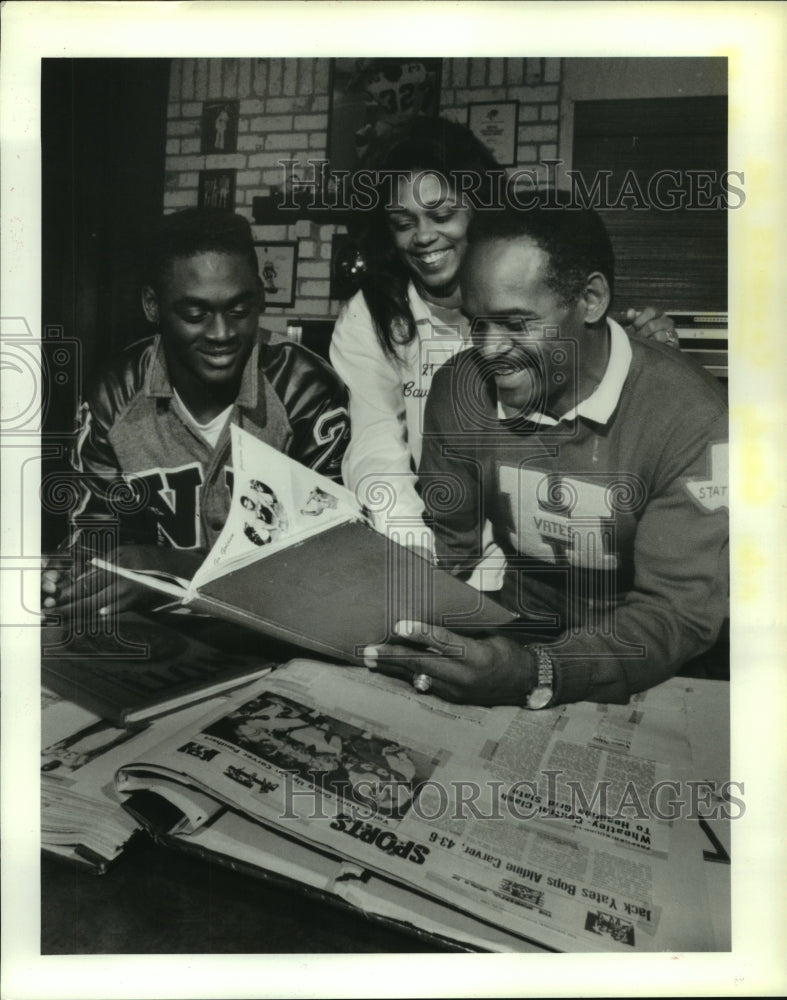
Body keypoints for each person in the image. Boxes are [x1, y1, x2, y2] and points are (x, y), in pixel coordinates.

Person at [363, 195, 728, 707]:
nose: (490, 350)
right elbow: (450, 544)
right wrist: (369, 595)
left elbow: (675, 613)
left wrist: (537, 672)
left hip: (648, 662)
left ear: (591, 299)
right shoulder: (458, 389)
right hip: (520, 629)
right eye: (477, 324)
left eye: (516, 324)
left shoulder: (693, 417)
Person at [330, 116, 679, 564]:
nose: (424, 236)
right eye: (403, 222)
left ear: (480, 209)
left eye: (443, 215)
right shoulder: (371, 316)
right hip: (437, 541)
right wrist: (414, 546)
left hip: (537, 549)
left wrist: (649, 354)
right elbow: (375, 446)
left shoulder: (539, 288)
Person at [42, 208, 350, 617]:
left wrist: (166, 566)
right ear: (152, 305)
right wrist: (72, 572)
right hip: (155, 635)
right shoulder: (113, 394)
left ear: (260, 296)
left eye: (239, 310)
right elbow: (96, 533)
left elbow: (332, 564)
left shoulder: (306, 389)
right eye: (194, 314)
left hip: (275, 633)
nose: (222, 333)